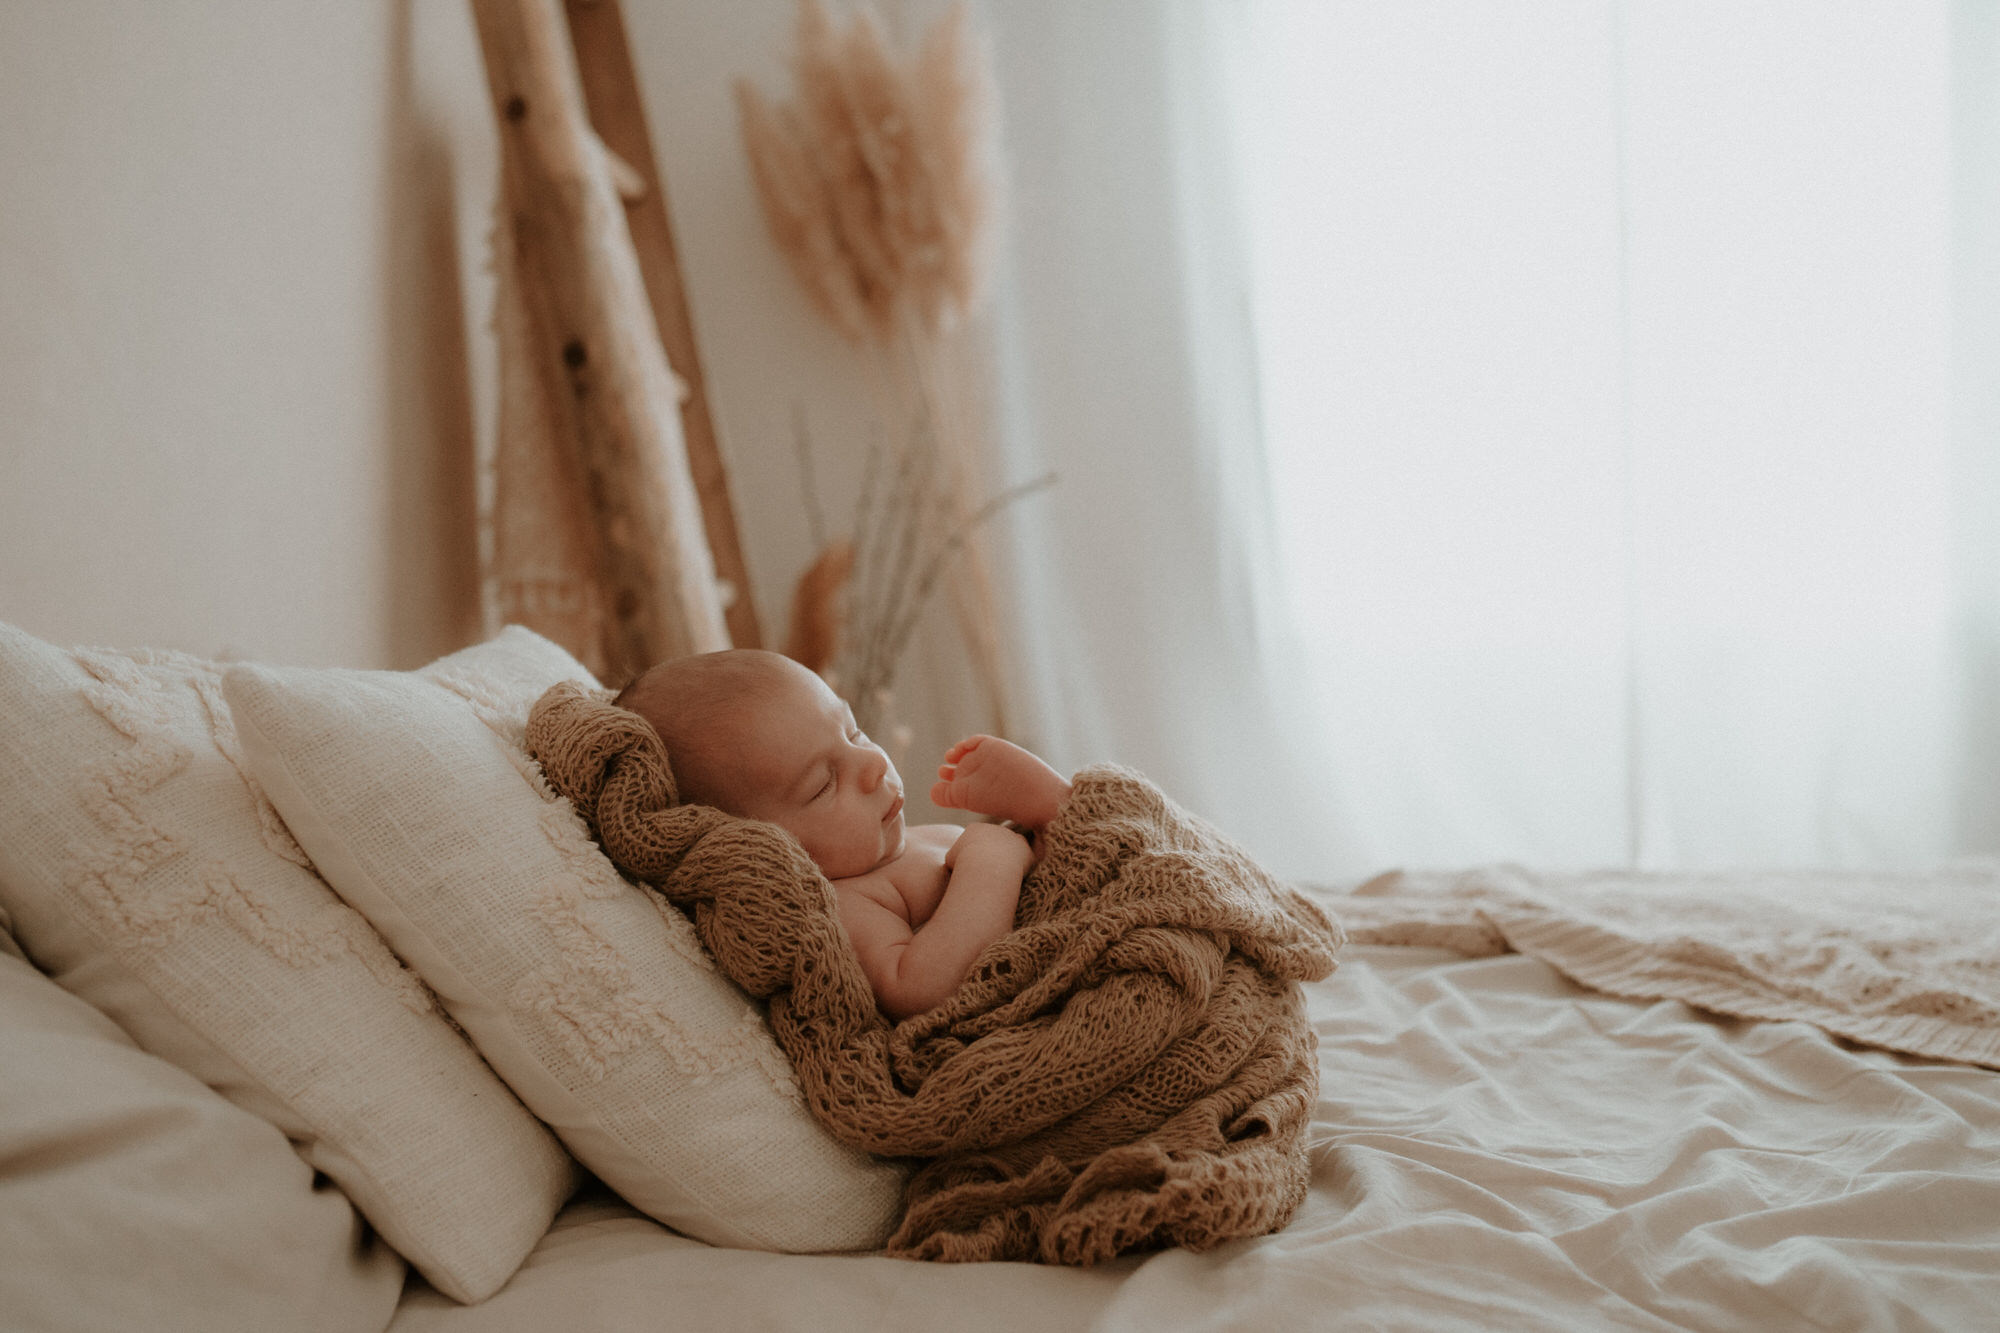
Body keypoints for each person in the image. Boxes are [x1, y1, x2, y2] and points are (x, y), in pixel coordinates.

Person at [614, 650, 1072, 1021]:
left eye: (855, 733)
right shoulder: (851, 900)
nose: (872, 764)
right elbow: (923, 992)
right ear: (766, 848)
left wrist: (1046, 809)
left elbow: (1060, 889)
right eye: (823, 785)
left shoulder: (908, 842)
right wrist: (991, 864)